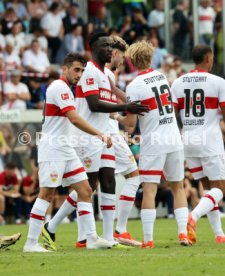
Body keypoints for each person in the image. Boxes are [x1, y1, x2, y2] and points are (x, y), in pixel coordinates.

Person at [42, 32, 149, 251]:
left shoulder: (105, 75)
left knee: (108, 181)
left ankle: (108, 237)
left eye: (111, 46)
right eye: (105, 46)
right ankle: (58, 228)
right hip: (87, 138)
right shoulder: (89, 70)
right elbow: (93, 104)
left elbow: (107, 108)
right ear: (93, 49)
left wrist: (123, 110)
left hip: (104, 136)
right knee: (88, 186)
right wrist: (125, 107)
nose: (110, 50)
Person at [23, 52, 114, 253]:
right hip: (53, 149)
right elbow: (74, 118)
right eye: (76, 69)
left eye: (82, 70)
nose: (79, 74)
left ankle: (91, 239)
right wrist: (99, 134)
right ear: (64, 68)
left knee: (85, 190)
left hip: (66, 148)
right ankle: (31, 243)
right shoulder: (59, 87)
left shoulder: (66, 89)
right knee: (46, 194)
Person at [121, 40, 191, 248]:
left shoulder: (133, 85)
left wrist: (116, 117)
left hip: (154, 141)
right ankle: (182, 234)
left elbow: (131, 125)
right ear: (151, 58)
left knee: (149, 190)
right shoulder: (160, 75)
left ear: (132, 62)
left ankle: (149, 240)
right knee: (177, 187)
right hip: (173, 137)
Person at [171, 44, 225, 244]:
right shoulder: (218, 82)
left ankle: (219, 235)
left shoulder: (177, 83)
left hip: (189, 140)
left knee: (208, 188)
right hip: (210, 140)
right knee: (220, 188)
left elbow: (172, 114)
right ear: (209, 59)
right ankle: (192, 217)